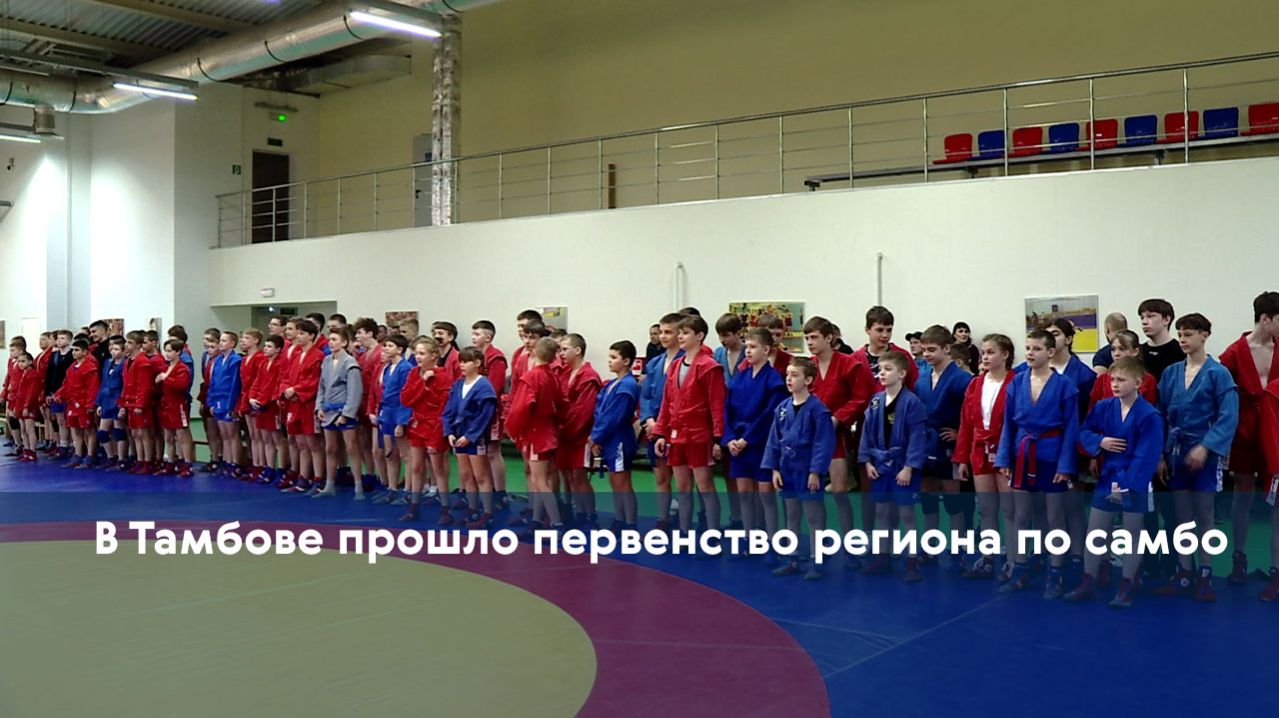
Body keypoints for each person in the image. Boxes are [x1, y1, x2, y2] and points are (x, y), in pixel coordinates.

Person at [1064, 357, 1163, 607]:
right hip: (1108, 476)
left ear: (1138, 383)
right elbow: (1084, 431)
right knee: (1095, 531)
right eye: (1112, 380)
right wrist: (1100, 442)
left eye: (1121, 380)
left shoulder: (1150, 415)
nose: (1115, 385)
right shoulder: (1104, 407)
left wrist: (1127, 486)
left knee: (1132, 533)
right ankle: (1088, 579)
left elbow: (1147, 455)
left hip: (1135, 479)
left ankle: (1127, 583)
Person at [1154, 313, 1239, 602]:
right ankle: (1184, 572)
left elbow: (1228, 416)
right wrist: (1161, 454)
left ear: (1205, 335)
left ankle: (1205, 572)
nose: (1183, 339)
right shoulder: (1171, 373)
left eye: (1189, 334)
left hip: (1205, 454)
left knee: (1204, 515)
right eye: (1180, 334)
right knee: (1182, 517)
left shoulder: (1218, 373)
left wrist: (1207, 446)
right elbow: (1160, 415)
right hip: (1176, 452)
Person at [995, 329, 1081, 597]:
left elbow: (1071, 428)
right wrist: (1004, 457)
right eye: (1028, 348)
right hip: (1022, 453)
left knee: (1055, 516)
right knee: (1022, 515)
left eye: (1037, 349)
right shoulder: (1017, 383)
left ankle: (1056, 573)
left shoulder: (1065, 385)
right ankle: (1020, 570)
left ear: (1050, 352)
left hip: (1052, 456)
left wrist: (1065, 465)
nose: (1030, 353)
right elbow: (1007, 424)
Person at [1218, 291, 1279, 584]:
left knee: (1276, 495)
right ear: (1265, 319)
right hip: (1244, 431)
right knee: (1243, 492)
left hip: (1275, 429)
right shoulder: (1233, 353)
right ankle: (1238, 557)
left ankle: (1276, 565)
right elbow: (1219, 395)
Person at [804, 316, 873, 565]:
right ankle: (817, 547)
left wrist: (838, 418)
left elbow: (860, 398)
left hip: (836, 435)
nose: (810, 342)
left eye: (814, 337)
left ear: (829, 338)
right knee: (812, 493)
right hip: (811, 438)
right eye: (807, 338)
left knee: (840, 492)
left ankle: (850, 546)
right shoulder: (808, 367)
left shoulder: (849, 364)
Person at [652, 314, 726, 534]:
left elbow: (717, 404)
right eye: (680, 333)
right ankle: (684, 532)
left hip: (699, 435)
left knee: (705, 486)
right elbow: (667, 403)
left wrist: (718, 437)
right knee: (682, 487)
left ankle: (712, 533)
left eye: (686, 333)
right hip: (677, 435)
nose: (681, 337)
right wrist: (660, 433)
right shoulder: (675, 366)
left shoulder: (709, 367)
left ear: (699, 336)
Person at [764, 357, 837, 580]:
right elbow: (774, 440)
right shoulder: (782, 408)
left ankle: (816, 558)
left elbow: (823, 443)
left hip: (807, 470)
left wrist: (816, 472)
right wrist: (774, 469)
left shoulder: (818, 410)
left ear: (808, 380)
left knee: (813, 516)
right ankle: (792, 557)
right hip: (787, 469)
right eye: (787, 374)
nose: (789, 379)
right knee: (792, 514)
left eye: (794, 375)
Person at [859, 351, 928, 580]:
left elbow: (917, 438)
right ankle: (882, 556)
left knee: (906, 512)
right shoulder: (876, 401)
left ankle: (912, 560)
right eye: (880, 369)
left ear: (902, 374)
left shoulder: (912, 402)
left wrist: (909, 467)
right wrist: (867, 461)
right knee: (881, 511)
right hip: (880, 465)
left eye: (888, 369)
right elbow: (866, 434)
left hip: (902, 466)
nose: (882, 373)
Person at [955, 333, 1016, 579]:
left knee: (1010, 509)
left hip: (1005, 450)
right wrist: (961, 458)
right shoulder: (975, 384)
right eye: (983, 353)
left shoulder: (1016, 382)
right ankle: (988, 557)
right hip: (980, 450)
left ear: (1005, 354)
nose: (985, 357)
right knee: (987, 508)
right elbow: (966, 423)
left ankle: (1014, 560)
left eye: (991, 352)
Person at [915, 325, 973, 567]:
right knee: (928, 496)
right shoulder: (922, 377)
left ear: (947, 348)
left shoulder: (962, 379)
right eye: (924, 350)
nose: (926, 354)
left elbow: (973, 412)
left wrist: (960, 433)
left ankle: (958, 546)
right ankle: (930, 546)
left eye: (932, 349)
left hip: (949, 444)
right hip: (926, 443)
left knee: (952, 497)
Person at [723, 328, 788, 543]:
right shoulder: (739, 377)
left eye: (753, 347)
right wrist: (730, 438)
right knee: (744, 494)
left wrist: (746, 439)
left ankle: (771, 538)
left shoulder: (774, 380)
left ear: (766, 350)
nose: (748, 351)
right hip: (738, 442)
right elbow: (727, 410)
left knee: (766, 495)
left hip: (761, 444)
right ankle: (748, 537)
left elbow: (769, 415)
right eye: (747, 347)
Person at [444, 346, 500, 529]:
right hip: (458, 435)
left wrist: (470, 436)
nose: (462, 365)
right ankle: (472, 508)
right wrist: (449, 432)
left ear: (477, 363)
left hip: (475, 437)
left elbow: (485, 415)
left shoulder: (484, 386)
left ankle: (488, 512)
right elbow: (448, 410)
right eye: (460, 361)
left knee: (481, 475)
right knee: (466, 475)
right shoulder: (458, 385)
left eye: (466, 361)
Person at [400, 337, 455, 521]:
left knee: (437, 468)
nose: (418, 357)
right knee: (416, 466)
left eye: (422, 353)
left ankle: (445, 509)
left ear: (433, 356)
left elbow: (444, 409)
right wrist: (422, 382)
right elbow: (406, 399)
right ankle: (414, 506)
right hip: (417, 425)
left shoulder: (443, 377)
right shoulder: (414, 373)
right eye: (416, 353)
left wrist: (436, 436)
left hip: (434, 426)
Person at [591, 340, 642, 533]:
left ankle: (630, 524)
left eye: (614, 357)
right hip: (610, 439)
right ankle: (620, 519)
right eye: (609, 357)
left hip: (619, 439)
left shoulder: (627, 386)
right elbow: (601, 411)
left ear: (626, 361)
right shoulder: (614, 384)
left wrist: (596, 436)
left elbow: (615, 417)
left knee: (623, 482)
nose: (609, 361)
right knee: (615, 481)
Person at [640, 313, 684, 530]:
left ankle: (684, 520)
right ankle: (663, 518)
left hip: (676, 427)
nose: (664, 336)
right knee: (660, 477)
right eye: (661, 332)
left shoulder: (686, 361)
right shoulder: (655, 363)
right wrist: (648, 419)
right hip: (654, 425)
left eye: (669, 332)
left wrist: (664, 425)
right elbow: (645, 395)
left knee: (683, 480)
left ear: (679, 334)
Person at [557, 333, 603, 528]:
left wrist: (564, 429)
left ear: (577, 350)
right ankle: (575, 512)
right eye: (560, 349)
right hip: (563, 434)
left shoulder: (589, 377)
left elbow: (583, 411)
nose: (561, 353)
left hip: (580, 435)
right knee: (568, 476)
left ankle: (589, 516)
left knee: (579, 477)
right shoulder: (564, 373)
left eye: (564, 349)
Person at [313, 326, 363, 498]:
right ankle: (329, 485)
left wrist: (347, 414)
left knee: (351, 448)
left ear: (344, 342)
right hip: (328, 410)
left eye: (335, 340)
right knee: (330, 449)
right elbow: (321, 386)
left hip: (344, 410)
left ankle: (358, 485)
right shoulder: (326, 361)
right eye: (330, 339)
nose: (331, 343)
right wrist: (319, 407)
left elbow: (355, 392)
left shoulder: (350, 364)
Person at [279, 319, 325, 493]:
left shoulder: (318, 356)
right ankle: (303, 478)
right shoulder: (296, 355)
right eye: (297, 333)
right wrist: (285, 390)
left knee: (312, 443)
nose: (298, 336)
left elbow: (314, 380)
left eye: (302, 333)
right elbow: (286, 376)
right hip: (294, 404)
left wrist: (296, 390)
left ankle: (318, 479)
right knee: (300, 443)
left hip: (308, 404)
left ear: (311, 336)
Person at [472, 320, 510, 509]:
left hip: (491, 411)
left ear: (488, 337)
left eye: (477, 334)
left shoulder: (496, 358)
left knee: (493, 452)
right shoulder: (475, 356)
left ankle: (500, 492)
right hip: (476, 411)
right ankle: (488, 489)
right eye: (473, 334)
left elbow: (494, 388)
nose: (473, 337)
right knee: (483, 453)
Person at [371, 333, 413, 504]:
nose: (386, 349)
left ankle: (408, 490)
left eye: (390, 346)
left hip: (399, 412)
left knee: (405, 454)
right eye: (385, 346)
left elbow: (406, 396)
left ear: (400, 349)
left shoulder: (406, 368)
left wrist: (402, 422)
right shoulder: (387, 368)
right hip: (387, 413)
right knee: (389, 453)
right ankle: (392, 488)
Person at [51, 339, 99, 469]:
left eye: (77, 350)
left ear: (85, 352)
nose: (73, 352)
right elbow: (66, 385)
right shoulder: (72, 367)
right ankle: (78, 455)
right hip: (72, 404)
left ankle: (90, 456)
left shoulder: (90, 368)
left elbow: (92, 388)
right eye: (73, 350)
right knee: (76, 431)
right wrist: (58, 395)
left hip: (84, 404)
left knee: (89, 431)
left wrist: (90, 405)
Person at [247, 335, 286, 485]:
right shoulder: (263, 364)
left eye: (269, 346)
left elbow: (277, 384)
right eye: (265, 346)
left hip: (272, 406)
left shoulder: (279, 364)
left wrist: (267, 400)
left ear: (278, 349)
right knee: (265, 438)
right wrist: (252, 397)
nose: (266, 349)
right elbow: (257, 382)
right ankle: (269, 468)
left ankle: (281, 469)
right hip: (260, 405)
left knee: (277, 439)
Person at [120, 331, 161, 474]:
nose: (126, 345)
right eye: (126, 342)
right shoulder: (128, 361)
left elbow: (144, 386)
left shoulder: (143, 362)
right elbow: (126, 384)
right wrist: (123, 404)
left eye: (130, 343)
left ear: (138, 345)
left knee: (143, 433)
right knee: (135, 433)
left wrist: (140, 404)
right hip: (130, 401)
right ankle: (140, 459)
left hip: (140, 403)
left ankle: (148, 461)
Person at [853, 306, 919, 392]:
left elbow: (914, 386)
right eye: (879, 330)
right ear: (867, 330)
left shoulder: (903, 356)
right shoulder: (854, 359)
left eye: (889, 330)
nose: (885, 335)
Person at [155, 339, 195, 477]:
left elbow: (181, 385)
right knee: (168, 437)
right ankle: (171, 462)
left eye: (170, 351)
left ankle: (187, 464)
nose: (167, 354)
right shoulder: (165, 368)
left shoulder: (182, 368)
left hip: (177, 405)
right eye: (166, 351)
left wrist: (165, 378)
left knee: (181, 436)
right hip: (165, 404)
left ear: (178, 352)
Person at [1089, 330, 1158, 409]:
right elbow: (1093, 409)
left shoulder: (1148, 380)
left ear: (1135, 351)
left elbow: (1150, 409)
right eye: (1113, 349)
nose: (1116, 353)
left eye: (1122, 349)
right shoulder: (1102, 379)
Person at [207, 331, 244, 477]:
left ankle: (235, 463)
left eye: (224, 340)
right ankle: (227, 462)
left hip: (229, 400)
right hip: (218, 400)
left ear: (232, 344)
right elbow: (213, 382)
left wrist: (231, 404)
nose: (221, 343)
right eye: (220, 340)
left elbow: (235, 384)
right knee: (224, 434)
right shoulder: (217, 360)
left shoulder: (235, 360)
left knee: (233, 434)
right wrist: (211, 402)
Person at [236, 329, 267, 481]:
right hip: (246, 397)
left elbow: (259, 380)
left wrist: (255, 397)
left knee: (259, 436)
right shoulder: (245, 359)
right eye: (242, 338)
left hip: (255, 398)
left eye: (247, 338)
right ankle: (255, 464)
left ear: (256, 340)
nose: (243, 340)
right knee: (252, 435)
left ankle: (262, 466)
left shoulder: (260, 358)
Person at [94, 336, 127, 468]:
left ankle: (122, 459)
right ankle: (111, 456)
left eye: (116, 349)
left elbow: (126, 385)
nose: (113, 351)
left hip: (118, 398)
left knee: (119, 431)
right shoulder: (108, 363)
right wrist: (99, 403)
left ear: (123, 351)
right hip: (107, 400)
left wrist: (123, 404)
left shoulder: (125, 364)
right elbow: (103, 383)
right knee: (102, 433)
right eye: (111, 348)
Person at [44, 329, 74, 459]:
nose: (59, 341)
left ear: (69, 340)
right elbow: (49, 374)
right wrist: (47, 392)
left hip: (67, 392)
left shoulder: (72, 355)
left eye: (63, 338)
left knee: (70, 420)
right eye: (58, 338)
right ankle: (63, 445)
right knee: (59, 420)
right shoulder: (54, 355)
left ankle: (73, 445)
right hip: (54, 391)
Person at [196, 328, 223, 473]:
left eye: (210, 341)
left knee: (222, 431)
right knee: (209, 429)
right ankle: (214, 457)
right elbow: (205, 380)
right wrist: (203, 401)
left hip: (219, 397)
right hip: (207, 394)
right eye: (205, 340)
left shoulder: (223, 360)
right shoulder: (205, 356)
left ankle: (224, 457)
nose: (206, 344)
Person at [1138, 298, 1184, 382]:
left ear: (1166, 319)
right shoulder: (1138, 351)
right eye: (1142, 318)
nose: (1144, 322)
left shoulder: (1181, 351)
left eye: (1150, 316)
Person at [10, 352, 43, 462]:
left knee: (30, 429)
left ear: (30, 362)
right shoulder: (23, 374)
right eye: (19, 361)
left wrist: (26, 407)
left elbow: (31, 392)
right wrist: (16, 406)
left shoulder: (33, 374)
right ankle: (27, 450)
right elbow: (20, 392)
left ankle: (33, 451)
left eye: (23, 361)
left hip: (29, 405)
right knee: (23, 429)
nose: (20, 364)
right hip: (20, 404)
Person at [713, 313, 745, 387]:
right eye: (720, 336)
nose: (722, 340)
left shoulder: (749, 353)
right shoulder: (718, 354)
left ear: (738, 333)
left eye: (726, 335)